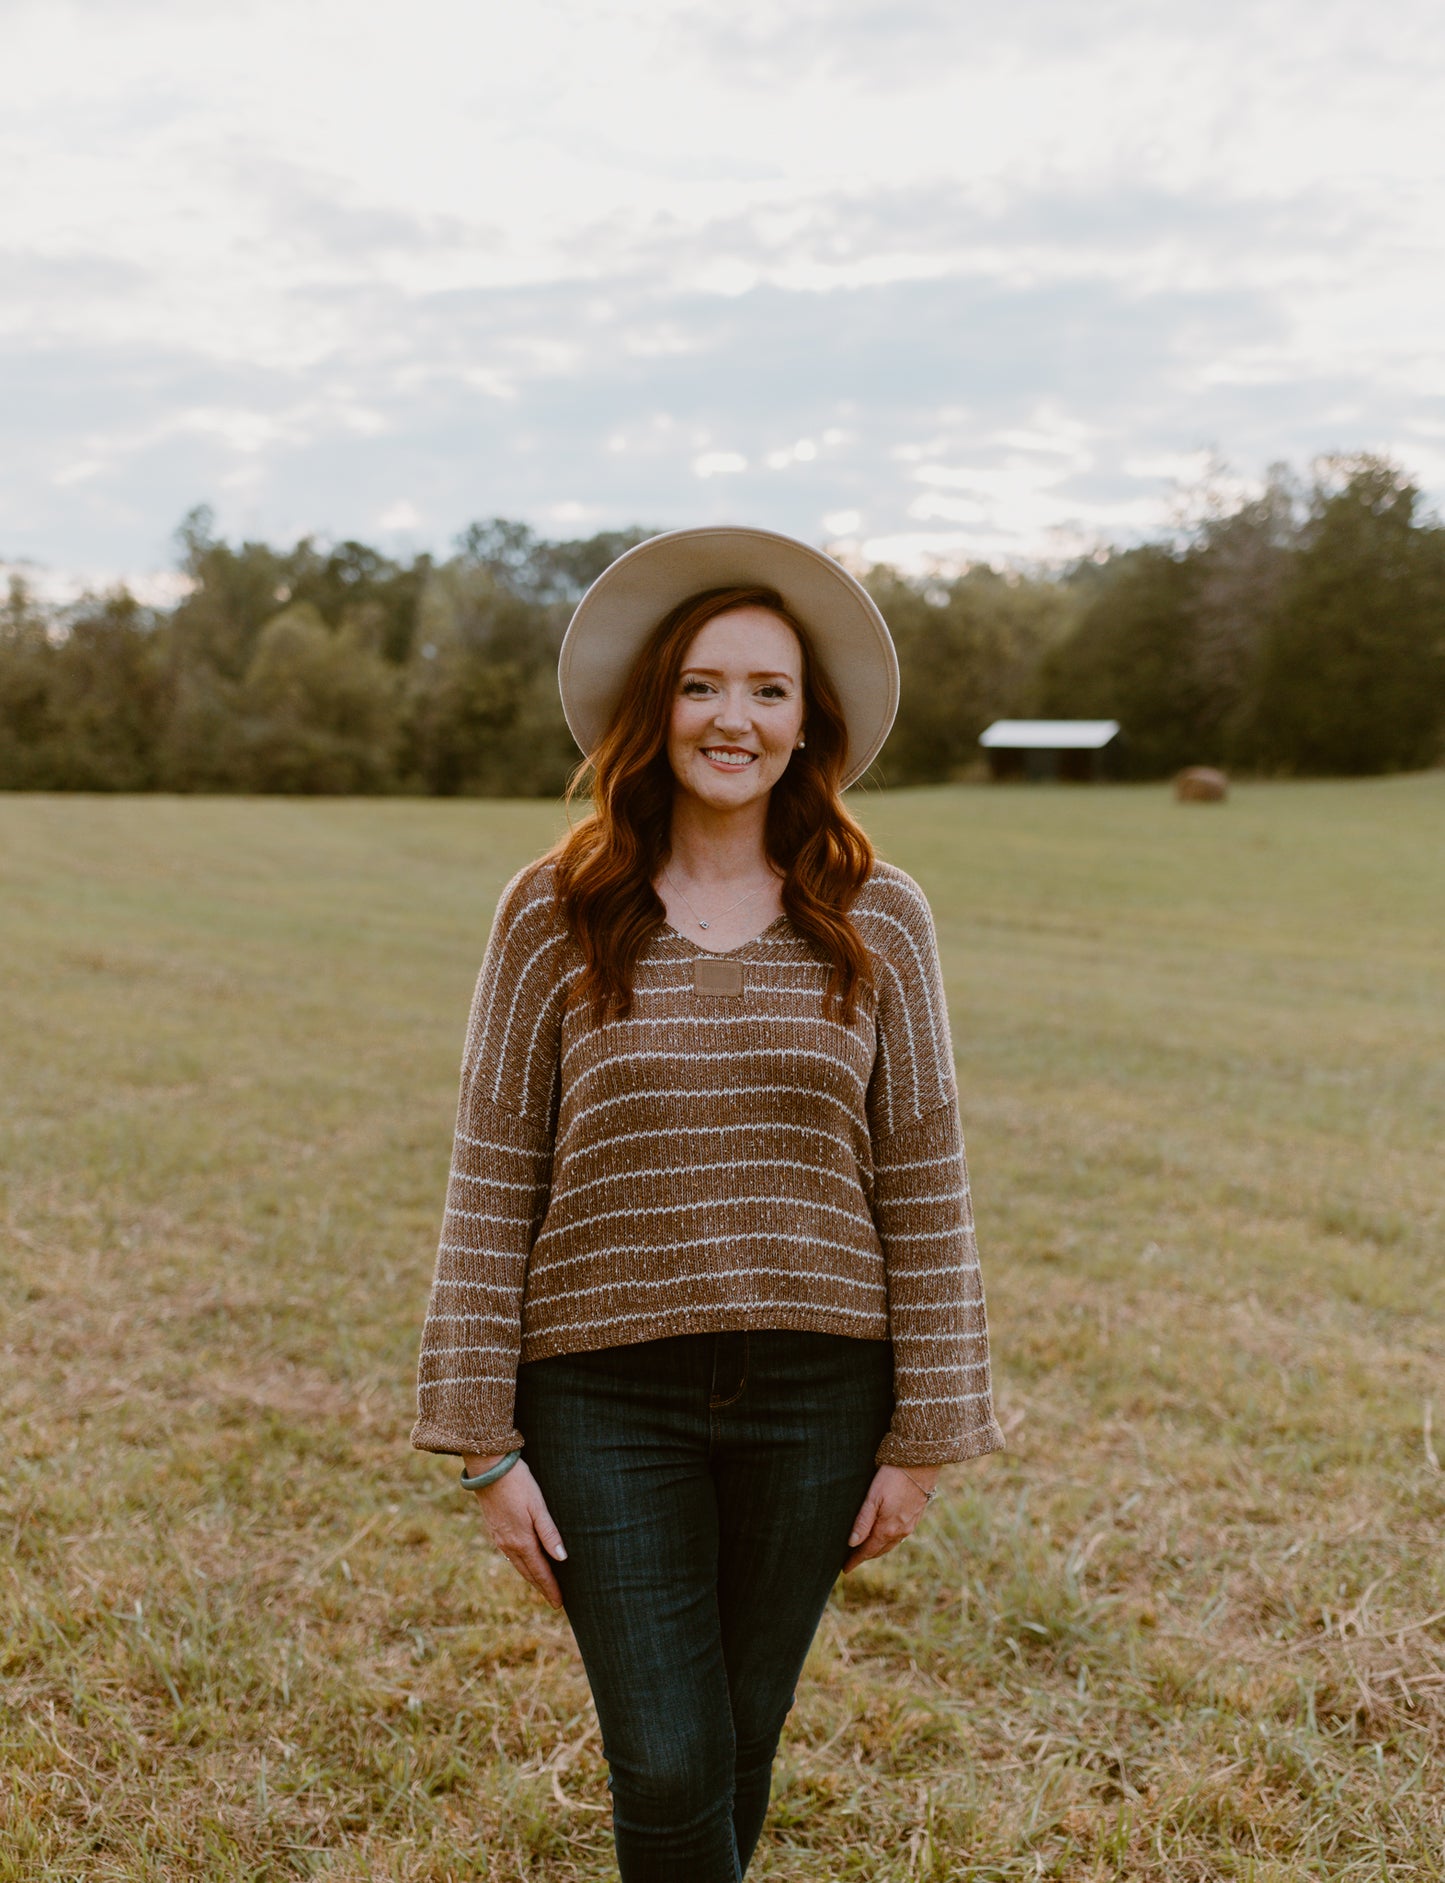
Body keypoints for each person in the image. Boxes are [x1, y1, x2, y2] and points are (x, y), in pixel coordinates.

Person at [411, 525, 1004, 1881]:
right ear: (653, 712)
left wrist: (925, 1434)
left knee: (739, 1734)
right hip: (602, 1397)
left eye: (767, 690)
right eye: (699, 685)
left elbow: (924, 1174)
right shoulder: (554, 912)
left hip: (819, 1396)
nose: (731, 716)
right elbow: (491, 1168)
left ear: (807, 727)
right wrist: (480, 1441)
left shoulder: (878, 916)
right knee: (668, 1751)